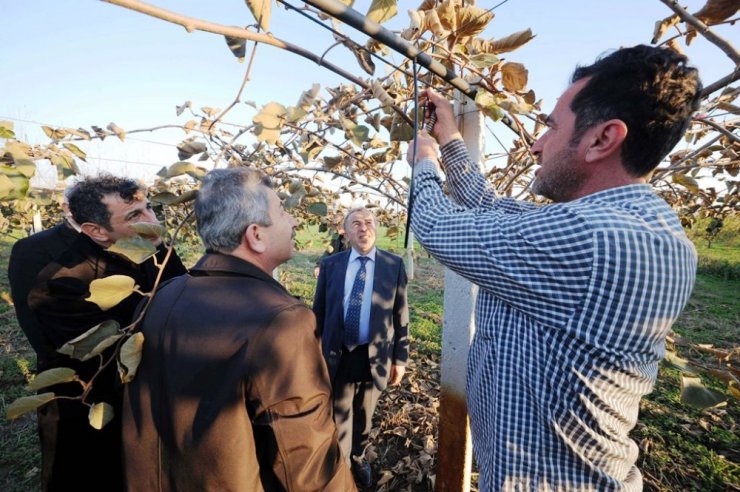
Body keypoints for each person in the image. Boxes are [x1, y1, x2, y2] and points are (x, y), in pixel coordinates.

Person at [406, 45, 702, 490]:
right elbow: (489, 208)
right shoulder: (639, 225)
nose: (537, 144)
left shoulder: (596, 239)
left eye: (552, 128)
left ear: (603, 138)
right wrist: (449, 139)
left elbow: (436, 227)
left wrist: (424, 165)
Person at [122, 167, 355, 491]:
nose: (294, 221)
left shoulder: (160, 299)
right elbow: (310, 468)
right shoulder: (283, 323)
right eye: (283, 212)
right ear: (256, 235)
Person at [28, 175, 187, 492]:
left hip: (144, 407)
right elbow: (114, 353)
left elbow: (182, 302)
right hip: (90, 410)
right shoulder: (60, 284)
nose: (151, 220)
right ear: (96, 231)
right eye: (134, 216)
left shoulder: (149, 251)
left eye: (149, 209)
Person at [313, 207, 409, 489]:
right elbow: (318, 311)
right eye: (356, 223)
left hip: (374, 355)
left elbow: (401, 315)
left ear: (376, 229)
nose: (363, 228)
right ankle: (341, 464)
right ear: (346, 231)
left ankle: (359, 456)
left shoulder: (393, 265)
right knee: (339, 411)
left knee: (364, 415)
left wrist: (399, 359)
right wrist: (312, 350)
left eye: (369, 222)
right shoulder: (332, 265)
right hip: (339, 352)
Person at [8, 186, 80, 371]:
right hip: (66, 359)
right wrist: (53, 357)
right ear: (67, 208)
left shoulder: (122, 239)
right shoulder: (32, 248)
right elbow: (30, 311)